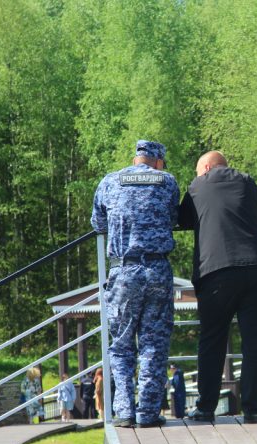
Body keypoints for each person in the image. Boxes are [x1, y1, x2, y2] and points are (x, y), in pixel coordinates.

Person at [178, 150, 257, 424]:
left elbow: (183, 220)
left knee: (212, 339)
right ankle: (252, 408)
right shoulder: (247, 181)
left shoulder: (197, 186)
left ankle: (206, 407)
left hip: (215, 271)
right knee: (256, 341)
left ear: (206, 168)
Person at [91, 140, 180, 428]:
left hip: (124, 270)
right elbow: (174, 219)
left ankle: (124, 411)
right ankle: (148, 412)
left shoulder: (109, 181)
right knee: (153, 343)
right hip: (157, 270)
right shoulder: (167, 182)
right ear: (158, 161)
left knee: (121, 344)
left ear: (135, 159)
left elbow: (98, 224)